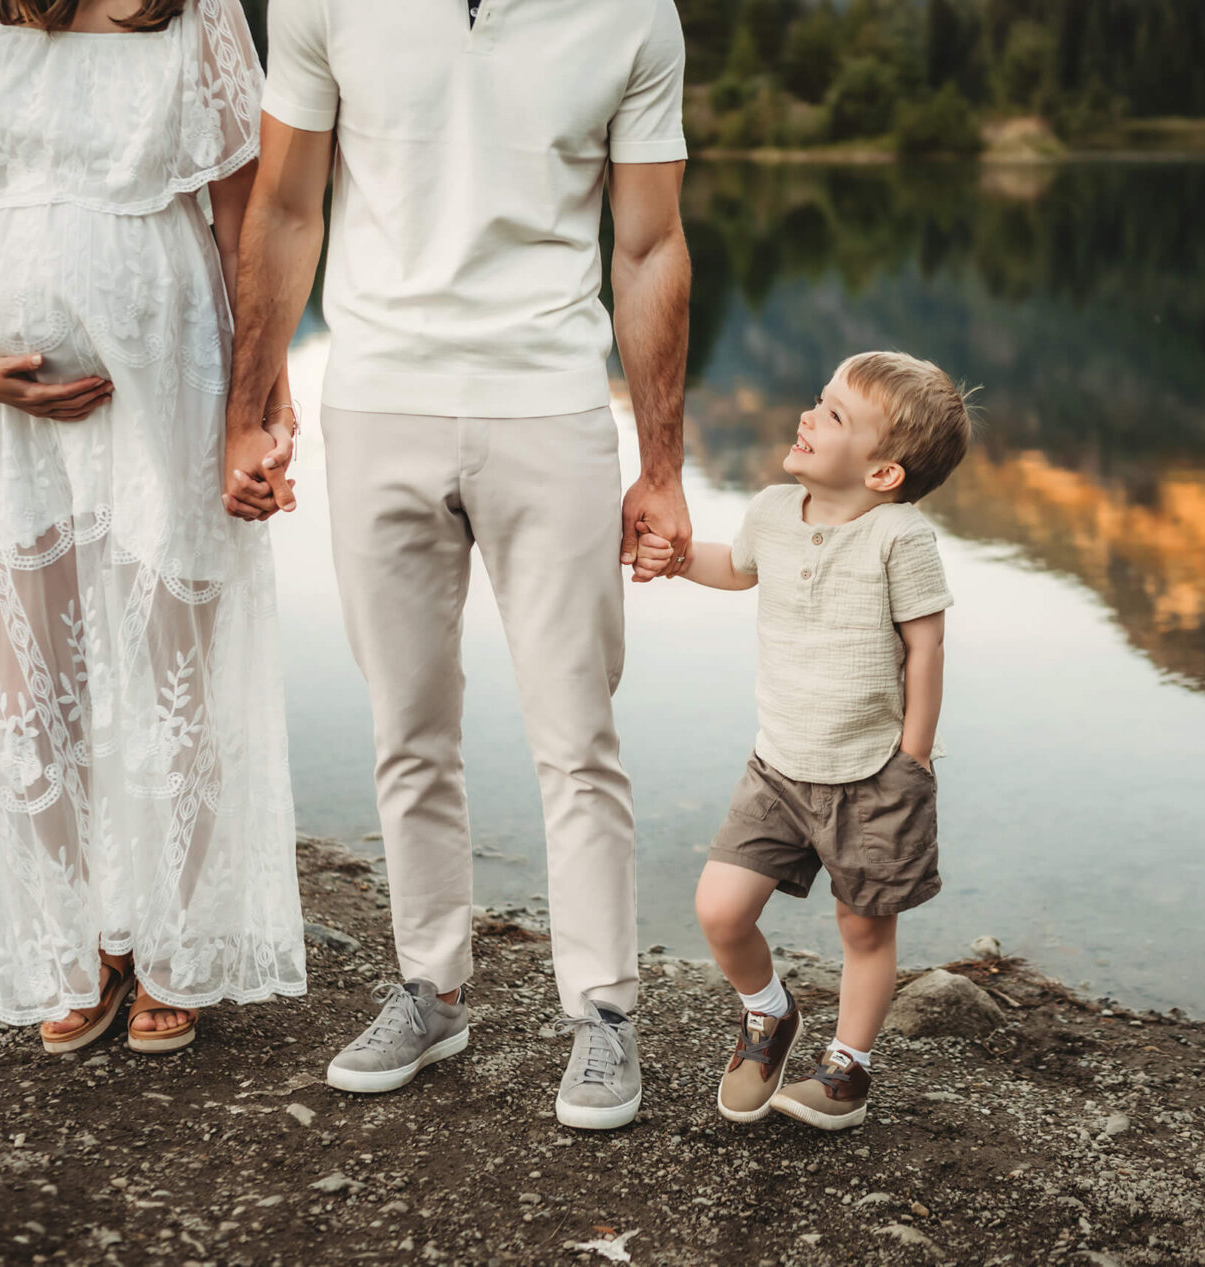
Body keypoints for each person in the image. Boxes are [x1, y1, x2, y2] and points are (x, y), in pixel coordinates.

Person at [220, 0, 694, 1129]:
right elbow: (285, 208)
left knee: (577, 732)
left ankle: (604, 1013)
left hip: (553, 406)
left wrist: (662, 464)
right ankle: (432, 989)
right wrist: (246, 412)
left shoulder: (632, 15)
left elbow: (649, 242)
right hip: (379, 397)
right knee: (407, 727)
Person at [0, 0, 306, 1055]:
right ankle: (83, 945)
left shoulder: (199, 12)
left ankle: (173, 949)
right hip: (8, 413)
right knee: (37, 671)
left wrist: (257, 399)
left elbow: (242, 219)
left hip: (167, 364)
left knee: (171, 658)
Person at [633, 351, 972, 1129]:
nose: (807, 417)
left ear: (883, 472)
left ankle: (846, 1068)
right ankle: (768, 1013)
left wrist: (913, 755)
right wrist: (676, 559)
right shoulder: (772, 513)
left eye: (833, 416)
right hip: (778, 767)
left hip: (873, 772)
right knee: (720, 909)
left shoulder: (900, 538)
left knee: (863, 925)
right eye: (817, 402)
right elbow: (737, 567)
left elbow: (926, 646)